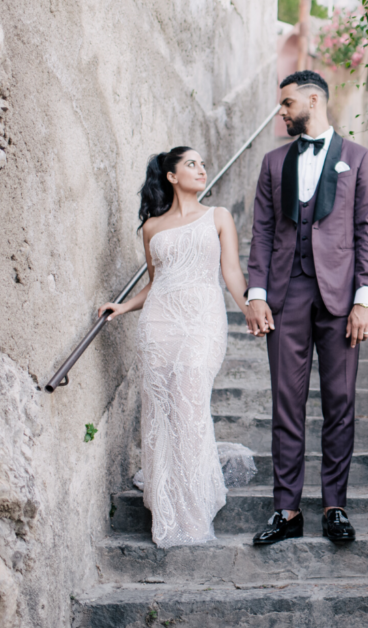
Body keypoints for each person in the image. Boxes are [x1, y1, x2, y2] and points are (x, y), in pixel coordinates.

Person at [247, 70, 368, 545]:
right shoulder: (272, 162)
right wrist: (256, 294)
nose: (281, 113)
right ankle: (286, 511)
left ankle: (333, 506)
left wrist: (364, 298)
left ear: (312, 100)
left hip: (342, 299)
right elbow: (262, 231)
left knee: (340, 403)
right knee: (287, 403)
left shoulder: (359, 160)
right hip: (286, 295)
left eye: (287, 104)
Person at [99, 147, 250, 548]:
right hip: (160, 324)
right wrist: (125, 305)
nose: (201, 170)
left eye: (202, 164)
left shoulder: (218, 216)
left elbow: (231, 272)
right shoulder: (152, 227)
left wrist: (251, 306)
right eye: (191, 164)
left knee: (188, 396)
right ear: (171, 176)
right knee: (162, 409)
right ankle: (170, 502)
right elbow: (155, 282)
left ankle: (195, 503)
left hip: (203, 319)